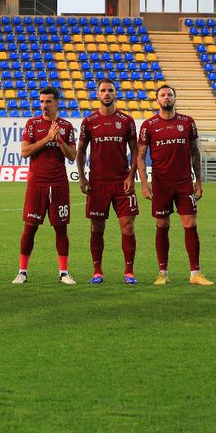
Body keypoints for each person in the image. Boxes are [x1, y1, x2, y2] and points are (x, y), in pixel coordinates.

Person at [138, 84, 212, 286]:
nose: (166, 98)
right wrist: (145, 183)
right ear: (157, 100)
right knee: (162, 224)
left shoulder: (187, 123)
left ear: (174, 98)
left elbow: (195, 153)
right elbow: (141, 156)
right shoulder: (148, 125)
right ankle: (163, 273)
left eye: (170, 95)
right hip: (161, 184)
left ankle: (195, 273)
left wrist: (198, 180)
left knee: (190, 224)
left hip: (184, 183)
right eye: (162, 95)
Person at [76, 79, 138, 284]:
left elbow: (136, 150)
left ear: (115, 94)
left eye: (110, 90)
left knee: (127, 226)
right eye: (103, 90)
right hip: (97, 183)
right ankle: (97, 271)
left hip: (122, 182)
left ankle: (129, 272)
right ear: (97, 95)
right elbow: (81, 151)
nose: (107, 93)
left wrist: (131, 176)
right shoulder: (89, 121)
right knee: (97, 228)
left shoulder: (127, 121)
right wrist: (82, 176)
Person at [14, 87, 77, 285]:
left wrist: (59, 141)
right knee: (30, 227)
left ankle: (64, 273)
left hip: (59, 183)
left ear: (57, 103)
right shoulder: (32, 124)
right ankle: (22, 271)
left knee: (61, 228)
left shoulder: (66, 127)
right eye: (41, 101)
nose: (44, 105)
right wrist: (47, 139)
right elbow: (25, 152)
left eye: (48, 102)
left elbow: (72, 155)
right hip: (37, 183)